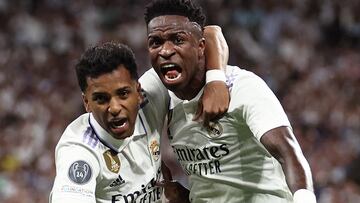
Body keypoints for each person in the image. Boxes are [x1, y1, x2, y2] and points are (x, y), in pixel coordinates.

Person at [143, 0, 316, 202]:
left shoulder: (243, 86)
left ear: (201, 47)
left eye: (178, 40)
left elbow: (287, 152)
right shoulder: (157, 91)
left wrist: (304, 198)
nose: (165, 51)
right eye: (156, 42)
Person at [49, 26, 229, 202]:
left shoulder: (150, 97)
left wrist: (216, 81)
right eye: (101, 99)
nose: (114, 108)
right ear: (86, 103)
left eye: (123, 94)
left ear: (138, 90)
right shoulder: (80, 151)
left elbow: (210, 33)